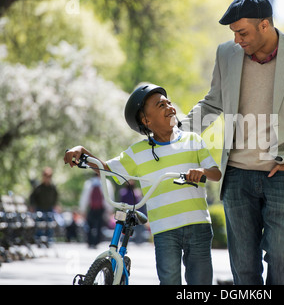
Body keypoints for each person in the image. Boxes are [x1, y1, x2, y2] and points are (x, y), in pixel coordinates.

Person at [181, 0, 284, 284]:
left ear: (264, 25)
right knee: (244, 266)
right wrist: (176, 131)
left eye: (243, 32)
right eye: (234, 34)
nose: (237, 40)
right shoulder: (226, 54)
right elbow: (213, 103)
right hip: (236, 175)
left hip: (282, 172)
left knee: (282, 256)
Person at [64, 84, 221, 285]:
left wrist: (202, 172)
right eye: (160, 105)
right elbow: (108, 170)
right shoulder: (138, 152)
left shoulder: (193, 140)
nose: (170, 107)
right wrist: (81, 150)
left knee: (200, 284)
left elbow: (215, 174)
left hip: (198, 225)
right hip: (164, 230)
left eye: (168, 102)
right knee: (169, 281)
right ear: (147, 120)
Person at [79, 174, 114, 248]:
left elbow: (84, 197)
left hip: (97, 208)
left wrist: (83, 208)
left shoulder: (90, 183)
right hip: (96, 208)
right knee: (94, 225)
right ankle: (93, 242)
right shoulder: (103, 183)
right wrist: (110, 209)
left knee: (95, 226)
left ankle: (93, 242)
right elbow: (109, 196)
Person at [29, 167, 59, 242]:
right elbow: (32, 197)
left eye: (49, 177)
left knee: (50, 224)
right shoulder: (38, 187)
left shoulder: (52, 188)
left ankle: (49, 240)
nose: (47, 178)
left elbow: (56, 196)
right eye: (46, 176)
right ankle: (38, 239)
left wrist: (55, 205)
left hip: (49, 208)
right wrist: (32, 205)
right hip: (40, 208)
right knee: (39, 224)